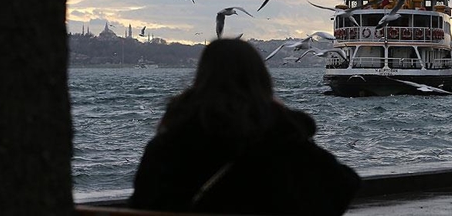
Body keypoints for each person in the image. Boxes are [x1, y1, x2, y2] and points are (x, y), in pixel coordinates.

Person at [129, 38, 360, 215]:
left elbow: (143, 205)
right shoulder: (283, 141)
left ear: (201, 78)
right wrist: (281, 115)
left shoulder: (169, 145)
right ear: (262, 80)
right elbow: (344, 185)